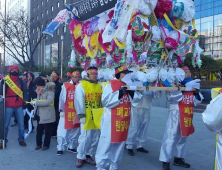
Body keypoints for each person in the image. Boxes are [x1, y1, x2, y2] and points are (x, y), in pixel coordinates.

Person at [95, 65, 142, 170]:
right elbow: (105, 101)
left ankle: (114, 165)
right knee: (106, 142)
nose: (127, 75)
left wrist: (132, 93)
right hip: (111, 119)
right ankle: (101, 166)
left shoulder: (128, 85)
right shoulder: (110, 85)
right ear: (118, 74)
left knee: (120, 143)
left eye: (128, 73)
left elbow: (135, 101)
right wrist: (119, 94)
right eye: (124, 73)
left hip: (124, 119)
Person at [159, 66, 203, 170]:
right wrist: (181, 90)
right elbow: (170, 98)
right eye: (185, 72)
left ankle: (178, 157)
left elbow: (196, 102)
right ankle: (165, 159)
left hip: (187, 114)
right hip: (176, 113)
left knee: (184, 136)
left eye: (189, 72)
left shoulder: (192, 84)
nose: (188, 74)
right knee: (171, 135)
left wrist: (196, 94)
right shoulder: (175, 84)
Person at [75, 67, 103, 168]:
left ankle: (89, 154)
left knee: (95, 137)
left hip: (97, 116)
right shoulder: (82, 85)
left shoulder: (100, 86)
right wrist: (81, 114)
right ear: (88, 74)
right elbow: (79, 101)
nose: (94, 75)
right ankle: (80, 156)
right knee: (85, 137)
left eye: (96, 74)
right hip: (86, 115)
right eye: (92, 74)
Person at [126, 90, 162, 156]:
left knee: (144, 127)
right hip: (136, 107)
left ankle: (140, 145)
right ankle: (129, 146)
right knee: (134, 127)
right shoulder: (135, 80)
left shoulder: (150, 83)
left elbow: (155, 96)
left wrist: (159, 90)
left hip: (147, 107)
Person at [0, 65, 28, 148]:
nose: (14, 71)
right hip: (8, 105)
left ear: (18, 71)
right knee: (5, 124)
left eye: (16, 70)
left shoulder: (21, 81)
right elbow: (1, 93)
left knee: (21, 124)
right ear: (10, 71)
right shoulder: (5, 81)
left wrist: (25, 103)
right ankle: (3, 140)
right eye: (13, 70)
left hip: (19, 104)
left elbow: (25, 92)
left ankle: (21, 139)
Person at [57, 70, 81, 156]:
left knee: (75, 130)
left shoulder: (81, 86)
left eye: (79, 77)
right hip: (67, 111)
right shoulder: (66, 86)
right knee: (63, 130)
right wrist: (61, 110)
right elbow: (62, 98)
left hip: (77, 112)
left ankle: (71, 146)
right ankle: (60, 147)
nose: (77, 79)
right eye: (75, 77)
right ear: (72, 78)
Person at [32, 77, 56, 151]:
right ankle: (38, 144)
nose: (36, 87)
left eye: (37, 85)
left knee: (47, 130)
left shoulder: (50, 90)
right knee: (39, 130)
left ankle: (46, 145)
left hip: (47, 113)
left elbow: (49, 101)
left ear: (41, 84)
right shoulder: (39, 90)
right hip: (39, 113)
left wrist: (37, 102)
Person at [50, 71, 63, 137]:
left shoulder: (59, 85)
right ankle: (52, 131)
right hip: (51, 104)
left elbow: (57, 95)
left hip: (57, 104)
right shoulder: (49, 84)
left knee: (57, 119)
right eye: (51, 76)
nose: (52, 78)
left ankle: (58, 133)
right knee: (52, 118)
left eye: (54, 77)